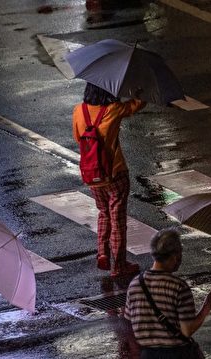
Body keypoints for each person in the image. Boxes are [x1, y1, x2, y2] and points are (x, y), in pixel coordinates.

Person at [72, 83, 146, 277]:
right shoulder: (113, 110)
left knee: (103, 213)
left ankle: (103, 252)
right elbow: (136, 105)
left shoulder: (79, 111)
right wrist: (140, 91)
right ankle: (119, 265)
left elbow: (77, 137)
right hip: (115, 173)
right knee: (118, 219)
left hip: (92, 174)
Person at [124, 228, 211, 359]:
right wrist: (207, 307)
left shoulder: (135, 284)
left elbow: (129, 324)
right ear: (175, 256)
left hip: (147, 354)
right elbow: (187, 330)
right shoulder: (178, 287)